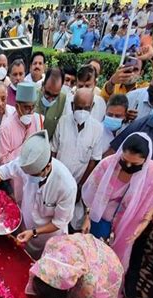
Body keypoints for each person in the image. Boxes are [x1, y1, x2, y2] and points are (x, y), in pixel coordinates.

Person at [106, 85, 153, 298]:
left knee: (135, 246)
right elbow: (114, 153)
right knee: (111, 241)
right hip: (122, 199)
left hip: (151, 204)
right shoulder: (143, 124)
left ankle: (125, 285)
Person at [0, 130, 77, 260]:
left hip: (48, 237)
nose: (30, 177)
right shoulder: (25, 164)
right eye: (28, 174)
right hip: (26, 225)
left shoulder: (66, 186)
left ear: (47, 167)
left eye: (34, 175)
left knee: (41, 264)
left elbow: (58, 223)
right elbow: (2, 173)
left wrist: (35, 232)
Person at [82, 133, 153, 274]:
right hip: (99, 222)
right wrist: (87, 217)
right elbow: (90, 194)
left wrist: (139, 229)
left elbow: (151, 204)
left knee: (112, 266)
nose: (128, 166)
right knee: (90, 258)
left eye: (135, 164)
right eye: (124, 160)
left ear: (146, 160)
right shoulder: (107, 164)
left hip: (127, 227)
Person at [52, 88, 103, 230]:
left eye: (86, 108)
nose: (82, 111)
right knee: (55, 220)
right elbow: (54, 152)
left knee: (72, 224)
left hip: (79, 184)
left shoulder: (97, 129)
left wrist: (81, 187)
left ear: (92, 107)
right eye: (79, 107)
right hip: (57, 182)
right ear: (72, 106)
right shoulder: (62, 122)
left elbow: (93, 161)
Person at [0, 82, 43, 203]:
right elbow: (2, 161)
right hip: (16, 183)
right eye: (27, 107)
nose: (30, 111)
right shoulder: (6, 127)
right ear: (17, 107)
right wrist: (24, 151)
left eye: (33, 107)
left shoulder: (38, 120)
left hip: (34, 180)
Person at [35, 68, 67, 138]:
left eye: (55, 96)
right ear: (43, 85)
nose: (50, 99)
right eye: (47, 93)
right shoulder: (32, 96)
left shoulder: (64, 101)